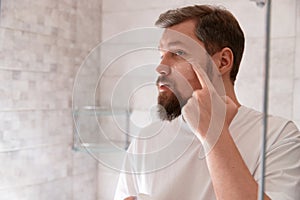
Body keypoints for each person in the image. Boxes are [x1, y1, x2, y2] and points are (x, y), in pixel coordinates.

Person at [114, 5, 300, 200]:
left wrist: (214, 133)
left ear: (223, 61)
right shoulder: (146, 141)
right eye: (162, 55)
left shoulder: (278, 137)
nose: (161, 67)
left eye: (178, 53)